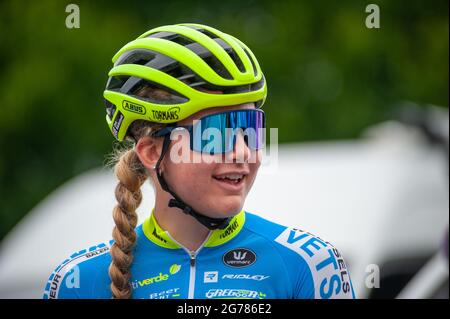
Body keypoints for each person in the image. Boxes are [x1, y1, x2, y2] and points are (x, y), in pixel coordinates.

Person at [43, 23, 355, 299]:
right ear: (152, 152)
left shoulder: (308, 266)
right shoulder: (78, 282)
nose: (243, 151)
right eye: (215, 133)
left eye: (250, 129)